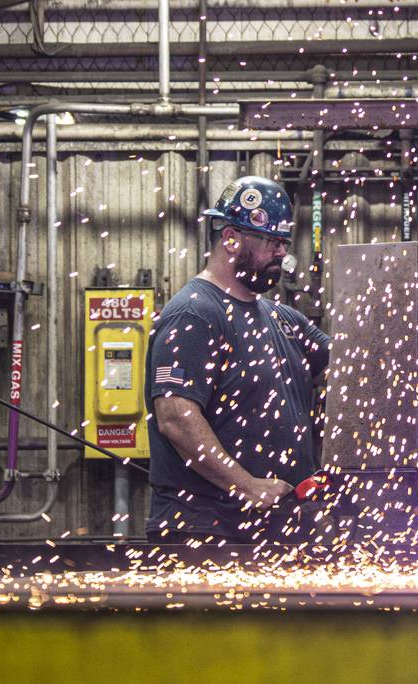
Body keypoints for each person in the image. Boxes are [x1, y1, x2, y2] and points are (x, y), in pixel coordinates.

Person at [144, 176, 330, 545]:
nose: (281, 254)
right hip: (206, 532)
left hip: (274, 530)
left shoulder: (283, 319)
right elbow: (176, 419)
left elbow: (352, 364)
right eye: (271, 243)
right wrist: (247, 487)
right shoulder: (195, 314)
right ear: (231, 238)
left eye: (283, 244)